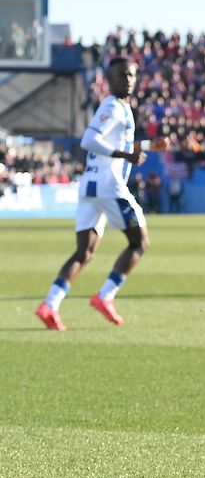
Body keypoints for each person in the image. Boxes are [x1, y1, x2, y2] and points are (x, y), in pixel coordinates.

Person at [36, 58, 160, 330]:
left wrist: (146, 145)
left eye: (130, 75)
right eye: (120, 75)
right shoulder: (113, 106)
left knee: (85, 252)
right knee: (139, 242)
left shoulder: (122, 108)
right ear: (109, 78)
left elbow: (114, 142)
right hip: (108, 185)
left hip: (91, 186)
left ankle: (50, 304)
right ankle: (105, 296)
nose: (126, 79)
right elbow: (89, 140)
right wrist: (127, 154)